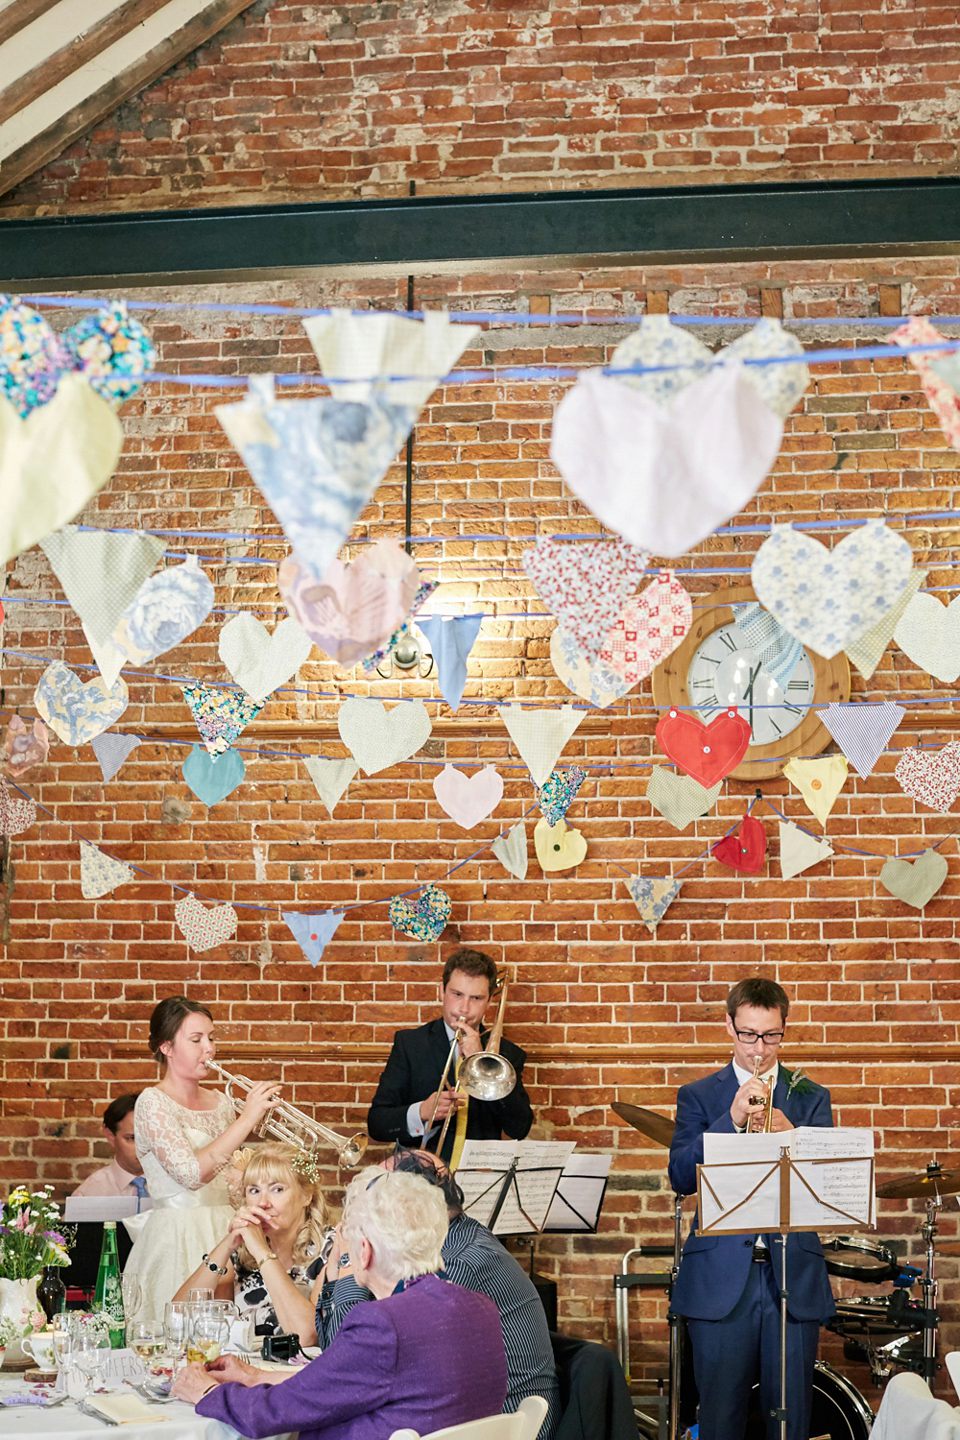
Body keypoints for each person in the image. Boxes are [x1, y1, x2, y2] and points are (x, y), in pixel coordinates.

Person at [173, 1168, 508, 1440]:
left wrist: (205, 1393)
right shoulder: (479, 1306)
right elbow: (326, 1385)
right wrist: (252, 1374)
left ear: (364, 1252)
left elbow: (273, 1414)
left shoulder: (381, 1323)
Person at [667, 978, 837, 1440]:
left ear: (784, 1030)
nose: (759, 1048)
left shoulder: (811, 1098)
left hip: (792, 1276)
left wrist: (792, 1135)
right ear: (729, 1027)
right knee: (720, 1419)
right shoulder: (699, 1096)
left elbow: (826, 1189)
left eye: (771, 1035)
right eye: (748, 1035)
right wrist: (731, 1120)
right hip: (721, 1282)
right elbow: (680, 1176)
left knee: (791, 1421)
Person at [318, 1147, 562, 1440]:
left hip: (499, 1429)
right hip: (475, 1422)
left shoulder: (454, 1265)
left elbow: (347, 1364)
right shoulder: (455, 1243)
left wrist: (347, 1262)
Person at [123, 995, 281, 1325]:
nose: (209, 1048)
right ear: (166, 1047)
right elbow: (191, 1174)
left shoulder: (222, 1101)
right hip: (176, 1239)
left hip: (227, 1230)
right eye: (196, 1040)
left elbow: (227, 1176)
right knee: (176, 1337)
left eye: (211, 1038)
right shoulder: (152, 1102)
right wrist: (248, 1118)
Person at [367, 947, 533, 1165]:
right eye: (457, 994)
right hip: (421, 1182)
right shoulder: (410, 1044)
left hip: (479, 1178)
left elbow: (519, 1128)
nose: (464, 1008)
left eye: (476, 998)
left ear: (489, 1000)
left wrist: (480, 1059)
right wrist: (422, 1111)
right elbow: (377, 1124)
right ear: (441, 991)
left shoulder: (506, 1055)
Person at [173, 1141, 334, 1346]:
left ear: (306, 1196)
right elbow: (177, 1317)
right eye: (254, 1190)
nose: (263, 1203)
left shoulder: (332, 1248)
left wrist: (261, 1251)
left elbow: (306, 1336)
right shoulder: (240, 1253)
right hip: (245, 1370)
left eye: (277, 1189)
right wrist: (226, 1245)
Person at [71, 1094, 150, 1207]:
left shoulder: (176, 1187)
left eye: (149, 1138)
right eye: (132, 1138)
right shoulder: (90, 1194)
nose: (143, 1148)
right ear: (110, 1137)